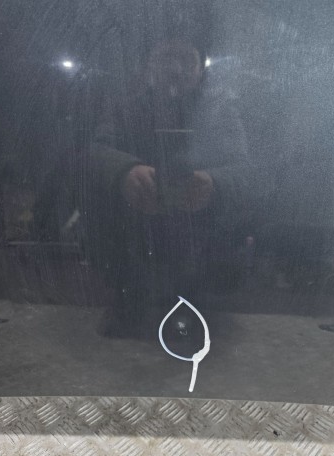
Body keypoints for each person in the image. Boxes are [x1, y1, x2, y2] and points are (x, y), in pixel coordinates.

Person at [88, 37, 251, 339]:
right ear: (148, 67)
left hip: (201, 244)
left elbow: (243, 171)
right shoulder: (126, 107)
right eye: (165, 58)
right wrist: (125, 172)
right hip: (133, 239)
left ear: (201, 70)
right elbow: (97, 153)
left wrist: (213, 184)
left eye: (186, 60)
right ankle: (132, 302)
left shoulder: (220, 110)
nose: (175, 69)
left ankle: (190, 306)